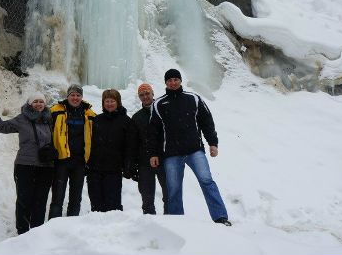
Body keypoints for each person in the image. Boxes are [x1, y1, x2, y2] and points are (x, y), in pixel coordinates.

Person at [148, 69, 232, 226]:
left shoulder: (193, 98)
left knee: (207, 181)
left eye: (175, 79)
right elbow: (153, 132)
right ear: (165, 83)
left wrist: (213, 143)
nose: (173, 82)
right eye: (169, 80)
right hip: (171, 154)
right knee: (173, 189)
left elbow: (206, 122)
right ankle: (178, 222)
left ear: (180, 81)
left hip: (194, 151)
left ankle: (220, 217)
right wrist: (153, 153)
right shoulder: (158, 104)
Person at [0, 92, 54, 235]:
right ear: (30, 104)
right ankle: (22, 231)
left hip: (45, 166)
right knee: (24, 199)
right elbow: (2, 127)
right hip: (25, 165)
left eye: (41, 101)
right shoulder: (22, 119)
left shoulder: (49, 119)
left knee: (40, 200)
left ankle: (37, 231)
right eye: (35, 101)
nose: (38, 104)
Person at [48, 84, 95, 218]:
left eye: (78, 95)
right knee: (57, 197)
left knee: (76, 197)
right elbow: (45, 131)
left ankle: (72, 227)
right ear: (67, 96)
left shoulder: (89, 114)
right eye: (72, 95)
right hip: (61, 160)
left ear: (82, 97)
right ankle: (53, 227)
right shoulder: (55, 111)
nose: (75, 98)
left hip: (79, 162)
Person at [86, 88, 134, 212]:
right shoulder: (97, 120)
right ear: (103, 103)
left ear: (118, 102)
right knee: (96, 206)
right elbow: (89, 143)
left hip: (114, 170)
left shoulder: (126, 121)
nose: (109, 104)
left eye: (112, 101)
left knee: (113, 207)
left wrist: (127, 166)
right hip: (95, 169)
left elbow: (129, 146)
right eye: (107, 101)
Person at [129, 83, 167, 214]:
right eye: (142, 95)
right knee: (147, 198)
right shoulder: (137, 117)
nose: (145, 97)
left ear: (152, 94)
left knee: (169, 195)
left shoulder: (163, 110)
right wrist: (133, 165)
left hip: (164, 160)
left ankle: (172, 224)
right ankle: (150, 225)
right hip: (144, 163)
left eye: (147, 93)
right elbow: (133, 143)